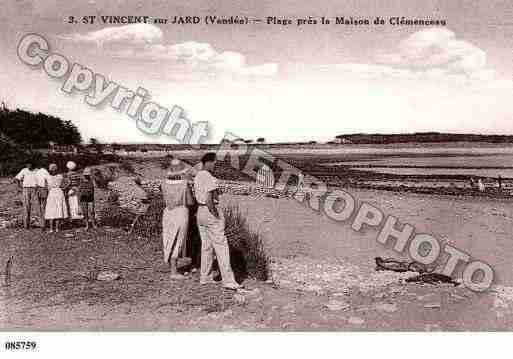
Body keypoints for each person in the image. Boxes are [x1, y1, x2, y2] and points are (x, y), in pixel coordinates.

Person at [194, 152, 242, 290]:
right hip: (209, 211)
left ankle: (205, 276)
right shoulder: (209, 177)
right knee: (221, 247)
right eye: (214, 162)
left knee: (206, 246)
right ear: (208, 162)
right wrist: (216, 215)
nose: (215, 165)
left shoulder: (198, 176)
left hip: (200, 212)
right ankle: (228, 280)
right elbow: (209, 199)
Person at [161, 159, 196, 279]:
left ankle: (173, 268)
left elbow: (165, 198)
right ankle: (174, 272)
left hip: (167, 212)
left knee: (168, 238)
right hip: (181, 212)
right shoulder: (184, 184)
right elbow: (190, 202)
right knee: (178, 240)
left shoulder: (163, 183)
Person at [14, 160, 38, 229]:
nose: (29, 166)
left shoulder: (36, 170)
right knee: (26, 207)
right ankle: (26, 225)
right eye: (28, 164)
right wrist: (19, 187)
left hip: (35, 189)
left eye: (30, 164)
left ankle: (40, 224)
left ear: (33, 164)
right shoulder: (24, 170)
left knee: (36, 206)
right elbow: (17, 178)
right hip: (26, 189)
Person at [45, 163, 68, 233]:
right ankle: (57, 228)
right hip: (58, 192)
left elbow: (47, 186)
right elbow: (67, 182)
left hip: (52, 192)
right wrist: (64, 188)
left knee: (51, 210)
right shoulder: (60, 176)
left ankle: (52, 229)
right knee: (58, 209)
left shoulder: (48, 177)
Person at [35, 162, 50, 231]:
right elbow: (48, 182)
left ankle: (42, 223)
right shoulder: (45, 172)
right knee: (44, 207)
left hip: (38, 189)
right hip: (44, 189)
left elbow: (35, 182)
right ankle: (44, 224)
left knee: (40, 207)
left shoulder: (37, 172)